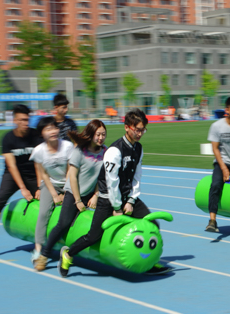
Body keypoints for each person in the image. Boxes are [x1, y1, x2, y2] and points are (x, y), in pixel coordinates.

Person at [61, 109, 172, 276]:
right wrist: (117, 207)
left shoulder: (139, 148)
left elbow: (137, 176)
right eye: (137, 130)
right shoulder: (114, 151)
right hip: (108, 198)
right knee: (93, 236)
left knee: (153, 225)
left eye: (143, 130)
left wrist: (131, 200)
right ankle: (68, 254)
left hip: (127, 197)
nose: (140, 134)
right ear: (127, 127)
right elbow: (112, 183)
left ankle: (150, 261)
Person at [33, 120, 106, 272]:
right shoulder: (80, 151)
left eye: (103, 135)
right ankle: (44, 255)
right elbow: (72, 177)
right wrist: (78, 201)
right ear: (91, 134)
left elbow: (102, 177)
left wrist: (96, 195)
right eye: (98, 134)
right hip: (74, 192)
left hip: (91, 193)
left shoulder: (105, 152)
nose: (101, 138)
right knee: (63, 223)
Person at [0, 104, 42, 251]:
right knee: (0, 198)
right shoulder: (7, 139)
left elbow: (39, 163)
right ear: (15, 120)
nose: (25, 123)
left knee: (45, 198)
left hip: (33, 173)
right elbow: (12, 166)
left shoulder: (36, 136)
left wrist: (40, 186)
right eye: (22, 120)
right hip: (13, 174)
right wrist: (23, 188)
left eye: (27, 119)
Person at [29, 117, 74, 269]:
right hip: (50, 185)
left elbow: (70, 170)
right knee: (43, 213)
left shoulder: (67, 146)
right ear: (42, 133)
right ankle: (38, 249)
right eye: (48, 129)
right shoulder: (38, 151)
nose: (53, 131)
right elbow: (43, 174)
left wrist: (66, 191)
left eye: (54, 127)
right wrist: (54, 195)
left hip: (69, 183)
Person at [205, 97, 230, 233]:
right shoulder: (217, 126)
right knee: (215, 185)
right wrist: (223, 168)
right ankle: (212, 221)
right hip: (223, 162)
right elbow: (215, 148)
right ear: (227, 110)